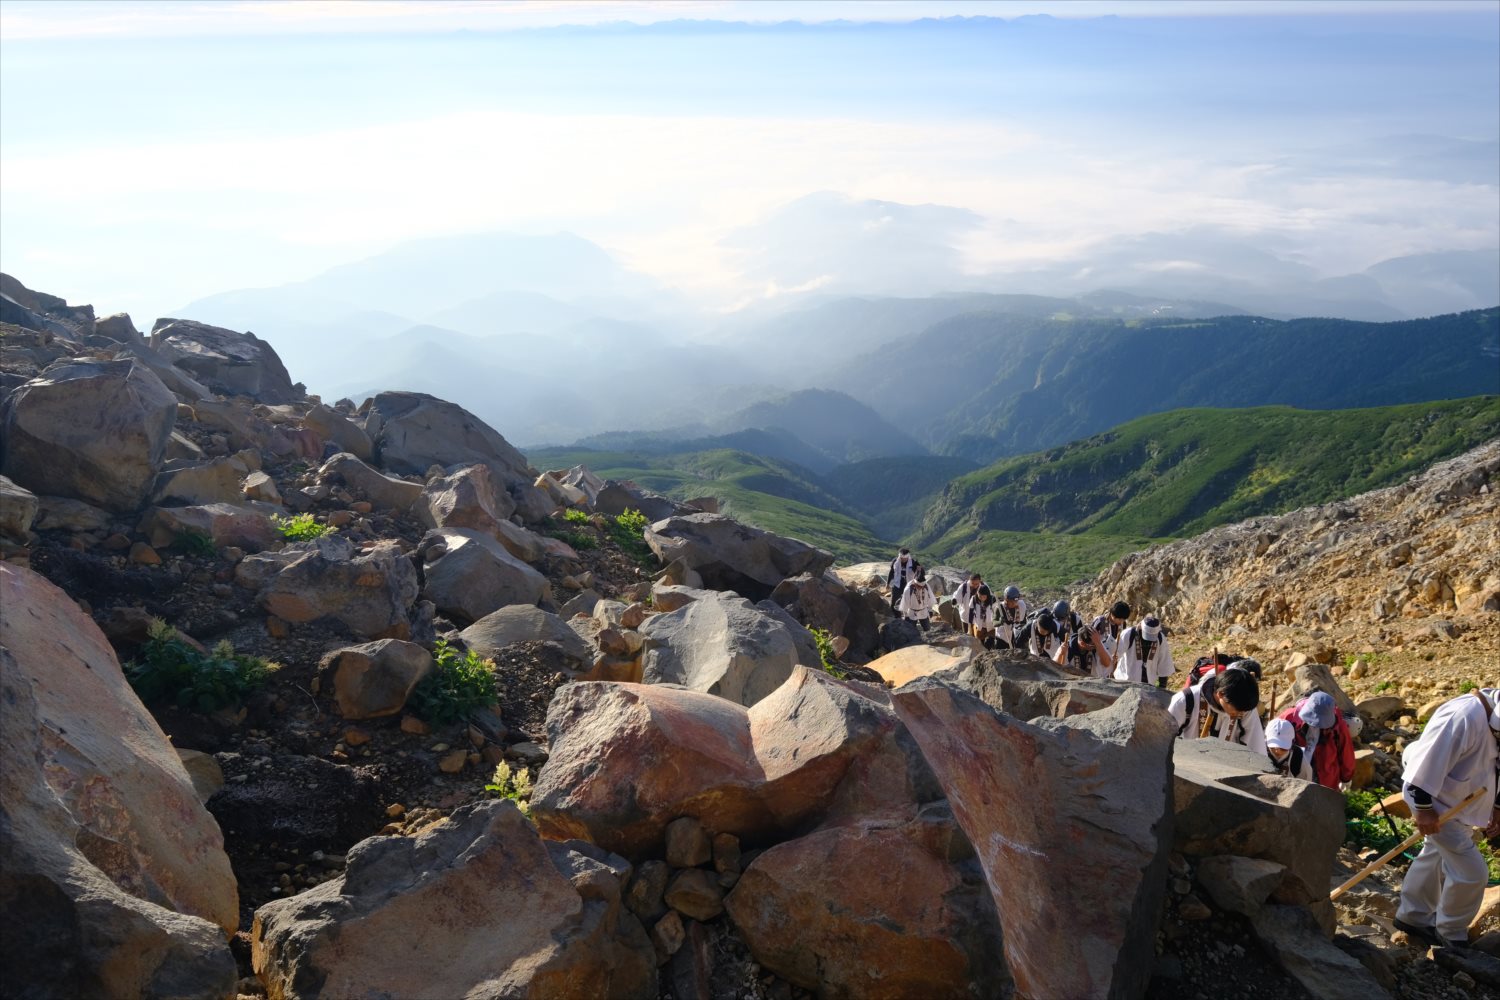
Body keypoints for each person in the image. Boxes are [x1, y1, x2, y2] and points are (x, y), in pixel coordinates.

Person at [1393, 687, 1500, 949]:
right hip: (1434, 803)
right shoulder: (1463, 715)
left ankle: (1412, 916)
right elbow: (1423, 767)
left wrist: (1497, 806)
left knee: (1433, 856)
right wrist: (1424, 810)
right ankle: (1451, 934)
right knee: (1473, 872)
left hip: (1460, 803)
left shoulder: (1493, 724)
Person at [1167, 664, 1266, 755]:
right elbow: (1165, 740)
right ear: (1220, 694)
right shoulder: (1186, 700)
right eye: (1237, 710)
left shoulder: (1244, 708)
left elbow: (1256, 747)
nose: (1241, 713)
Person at [1276, 691, 1355, 790]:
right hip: (1292, 772)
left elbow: (1346, 754)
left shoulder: (1339, 728)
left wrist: (1346, 778)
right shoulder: (1289, 718)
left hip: (1325, 778)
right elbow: (1273, 737)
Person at [1111, 615, 1175, 688]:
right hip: (1125, 681)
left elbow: (1164, 663)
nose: (1148, 641)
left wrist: (1162, 686)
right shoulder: (1128, 634)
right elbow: (1114, 654)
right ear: (1141, 627)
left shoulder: (1160, 639)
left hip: (1148, 683)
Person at [997, 585, 1028, 649]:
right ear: (1006, 600)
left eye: (1015, 601)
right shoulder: (1000, 607)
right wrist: (1000, 622)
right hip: (1003, 635)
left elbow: (1024, 620)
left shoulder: (1021, 605)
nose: (1014, 603)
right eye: (1011, 601)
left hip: (1016, 633)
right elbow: (994, 622)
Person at [887, 548, 917, 613]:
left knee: (909, 600)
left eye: (905, 558)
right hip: (897, 583)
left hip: (909, 584)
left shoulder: (913, 562)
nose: (903, 560)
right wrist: (888, 583)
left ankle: (908, 616)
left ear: (908, 557)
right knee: (894, 600)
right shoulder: (895, 561)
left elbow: (918, 574)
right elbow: (891, 572)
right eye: (901, 558)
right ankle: (896, 615)